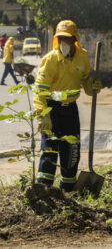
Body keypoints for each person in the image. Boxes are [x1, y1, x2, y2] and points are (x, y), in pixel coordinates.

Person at [34, 20, 102, 192]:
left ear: (74, 39)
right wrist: (42, 114)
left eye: (67, 38)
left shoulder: (83, 57)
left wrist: (92, 86)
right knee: (50, 151)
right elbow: (40, 89)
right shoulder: (50, 60)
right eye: (60, 38)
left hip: (70, 110)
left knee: (71, 151)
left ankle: (68, 190)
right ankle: (44, 190)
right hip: (51, 109)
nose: (64, 42)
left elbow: (86, 80)